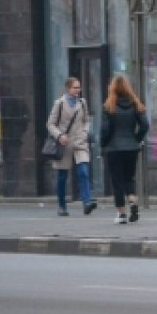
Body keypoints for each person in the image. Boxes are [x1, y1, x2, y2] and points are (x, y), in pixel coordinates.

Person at [101, 74, 150, 224]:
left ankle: (121, 214)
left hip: (114, 148)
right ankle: (133, 201)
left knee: (117, 180)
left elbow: (105, 129)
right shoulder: (136, 104)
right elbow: (145, 125)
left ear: (113, 88)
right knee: (129, 177)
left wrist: (104, 143)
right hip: (131, 147)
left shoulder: (109, 106)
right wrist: (137, 139)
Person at [46, 77, 96, 217]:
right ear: (68, 88)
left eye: (79, 87)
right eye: (75, 87)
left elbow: (86, 120)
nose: (78, 90)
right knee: (62, 176)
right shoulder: (59, 103)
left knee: (84, 172)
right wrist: (59, 135)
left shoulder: (82, 103)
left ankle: (86, 202)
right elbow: (50, 124)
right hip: (64, 143)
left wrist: (85, 131)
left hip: (80, 142)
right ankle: (62, 205)